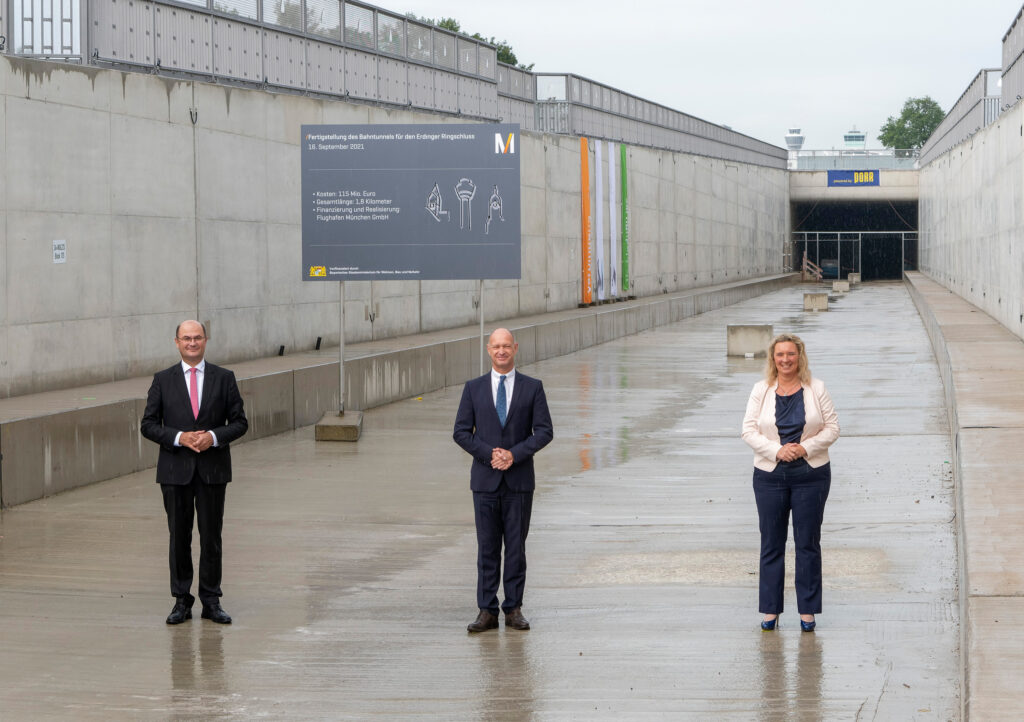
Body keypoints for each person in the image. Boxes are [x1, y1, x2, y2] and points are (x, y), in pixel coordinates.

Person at [141, 320, 248, 625]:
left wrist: (212, 437)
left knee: (211, 537)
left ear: (205, 340)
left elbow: (240, 422)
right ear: (176, 342)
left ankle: (211, 600)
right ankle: (181, 600)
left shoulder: (224, 378)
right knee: (179, 537)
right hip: (175, 471)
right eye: (186, 338)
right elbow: (148, 424)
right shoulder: (162, 380)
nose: (192, 343)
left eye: (197, 337)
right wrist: (180, 437)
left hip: (212, 470)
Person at [453, 328, 554, 633]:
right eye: (496, 346)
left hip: (519, 482)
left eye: (506, 346)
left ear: (515, 348)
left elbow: (544, 431)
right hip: (485, 482)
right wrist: (489, 454)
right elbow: (460, 432)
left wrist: (514, 455)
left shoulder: (532, 388)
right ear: (488, 350)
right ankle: (487, 610)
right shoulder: (473, 388)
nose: (501, 351)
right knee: (487, 548)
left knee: (515, 548)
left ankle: (513, 608)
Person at [741, 333, 839, 632]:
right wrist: (777, 450)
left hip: (811, 474)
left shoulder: (816, 388)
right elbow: (748, 430)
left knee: (807, 543)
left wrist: (805, 448)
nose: (785, 360)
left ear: (800, 357)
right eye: (780, 355)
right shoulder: (761, 390)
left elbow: (833, 427)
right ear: (773, 358)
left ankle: (807, 611)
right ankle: (771, 610)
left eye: (791, 354)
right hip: (770, 476)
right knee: (771, 544)